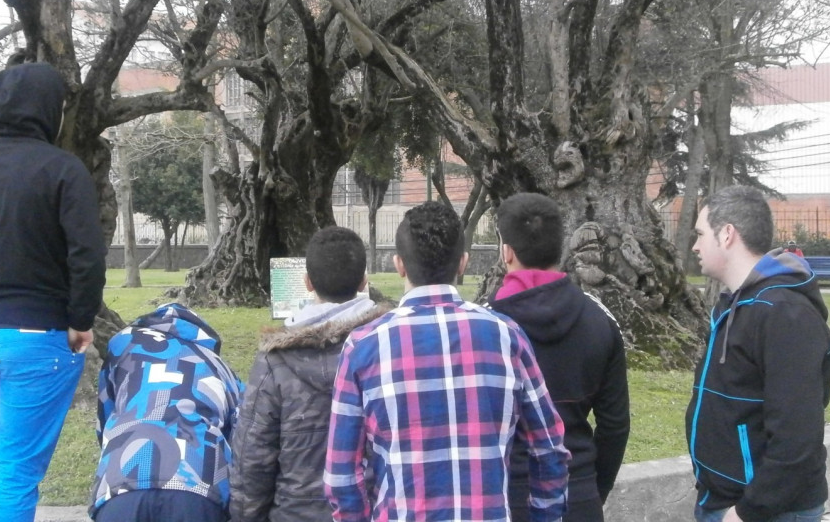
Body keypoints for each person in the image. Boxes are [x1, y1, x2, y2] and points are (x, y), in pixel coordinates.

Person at [324, 201, 570, 522]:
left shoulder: (363, 345)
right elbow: (550, 450)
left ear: (399, 265)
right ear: (463, 263)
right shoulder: (507, 336)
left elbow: (341, 475)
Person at [0, 62, 107, 522]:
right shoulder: (62, 169)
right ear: (49, 110)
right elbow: (87, 255)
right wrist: (80, 320)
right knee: (17, 473)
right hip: (37, 339)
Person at [686, 185, 830, 522]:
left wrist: (747, 511)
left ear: (727, 235)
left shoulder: (783, 312)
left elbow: (797, 439)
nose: (694, 245)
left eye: (700, 234)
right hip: (722, 498)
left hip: (765, 512)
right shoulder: (734, 305)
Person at [229, 226, 387, 522]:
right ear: (364, 282)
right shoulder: (388, 344)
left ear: (307, 283)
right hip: (373, 507)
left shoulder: (274, 360)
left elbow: (252, 457)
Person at [488, 193, 630, 522]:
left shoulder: (485, 326)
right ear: (561, 247)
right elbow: (615, 425)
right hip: (578, 493)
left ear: (506, 251)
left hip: (504, 497)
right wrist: (594, 488)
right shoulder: (601, 320)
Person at [89, 302, 244, 522]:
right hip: (198, 487)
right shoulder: (220, 368)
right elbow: (241, 435)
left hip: (120, 483)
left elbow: (105, 412)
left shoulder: (122, 346)